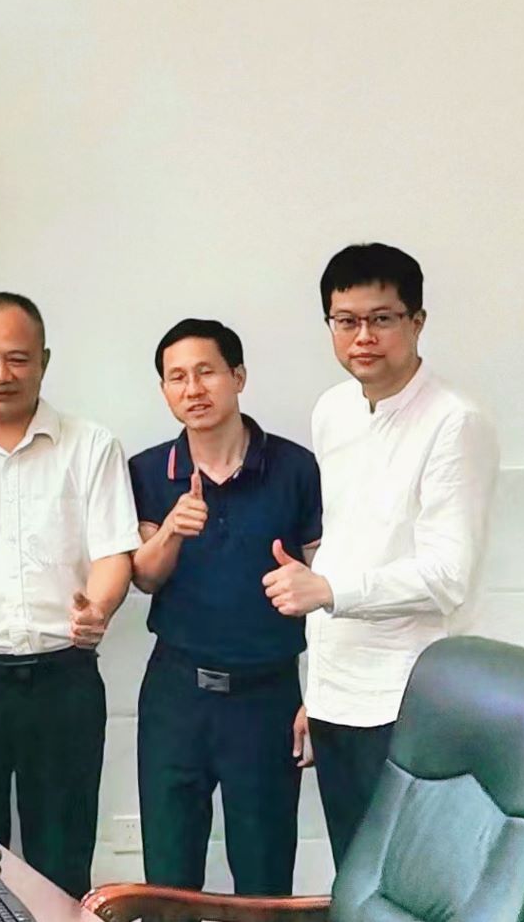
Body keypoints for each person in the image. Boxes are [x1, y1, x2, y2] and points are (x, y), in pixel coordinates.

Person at [263, 244, 498, 864]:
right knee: (354, 872)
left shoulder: (455, 422)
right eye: (346, 321)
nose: (363, 337)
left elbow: (447, 576)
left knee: (413, 877)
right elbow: (347, 541)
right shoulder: (332, 410)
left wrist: (329, 591)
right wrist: (320, 690)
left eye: (382, 319)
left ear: (417, 322)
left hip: (411, 696)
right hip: (339, 694)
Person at [0, 292, 139, 898]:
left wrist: (99, 607)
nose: (0, 375)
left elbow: (114, 551)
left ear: (44, 360)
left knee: (61, 858)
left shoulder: (90, 445)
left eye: (16, 358)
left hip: (62, 681)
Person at [127, 319, 321, 895]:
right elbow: (144, 577)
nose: (193, 389)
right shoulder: (148, 471)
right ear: (164, 389)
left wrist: (320, 693)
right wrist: (171, 530)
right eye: (177, 377)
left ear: (238, 376)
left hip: (266, 696)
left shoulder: (296, 468)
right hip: (176, 694)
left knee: (264, 877)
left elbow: (323, 586)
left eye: (206, 372)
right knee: (169, 875)